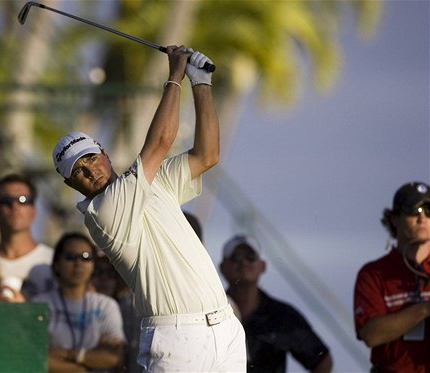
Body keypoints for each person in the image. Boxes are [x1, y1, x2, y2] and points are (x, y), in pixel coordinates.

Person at [51, 46, 246, 371]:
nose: (90, 172)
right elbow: (160, 143)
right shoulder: (103, 213)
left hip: (225, 328)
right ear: (72, 185)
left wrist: (201, 83)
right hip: (176, 337)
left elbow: (207, 155)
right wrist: (175, 74)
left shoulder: (151, 180)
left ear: (104, 153)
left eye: (91, 159)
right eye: (78, 173)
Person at [220, 234, 333, 372]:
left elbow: (322, 360)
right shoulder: (212, 313)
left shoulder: (283, 316)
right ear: (222, 267)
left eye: (251, 256)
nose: (244, 263)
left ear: (262, 266)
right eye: (235, 257)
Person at [354, 181, 430, 372]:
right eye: (414, 211)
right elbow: (371, 335)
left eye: (428, 210)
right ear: (394, 218)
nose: (423, 218)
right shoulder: (373, 274)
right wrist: (424, 310)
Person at [31, 232, 126, 372]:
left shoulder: (106, 305)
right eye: (70, 257)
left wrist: (68, 354)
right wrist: (83, 367)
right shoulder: (39, 305)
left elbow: (114, 358)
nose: (78, 263)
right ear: (56, 264)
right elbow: (35, 358)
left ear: (93, 265)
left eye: (86, 257)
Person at [0, 173, 54, 300]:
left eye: (23, 200)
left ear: (34, 210)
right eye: (6, 201)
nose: (15, 206)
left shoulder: (53, 262)